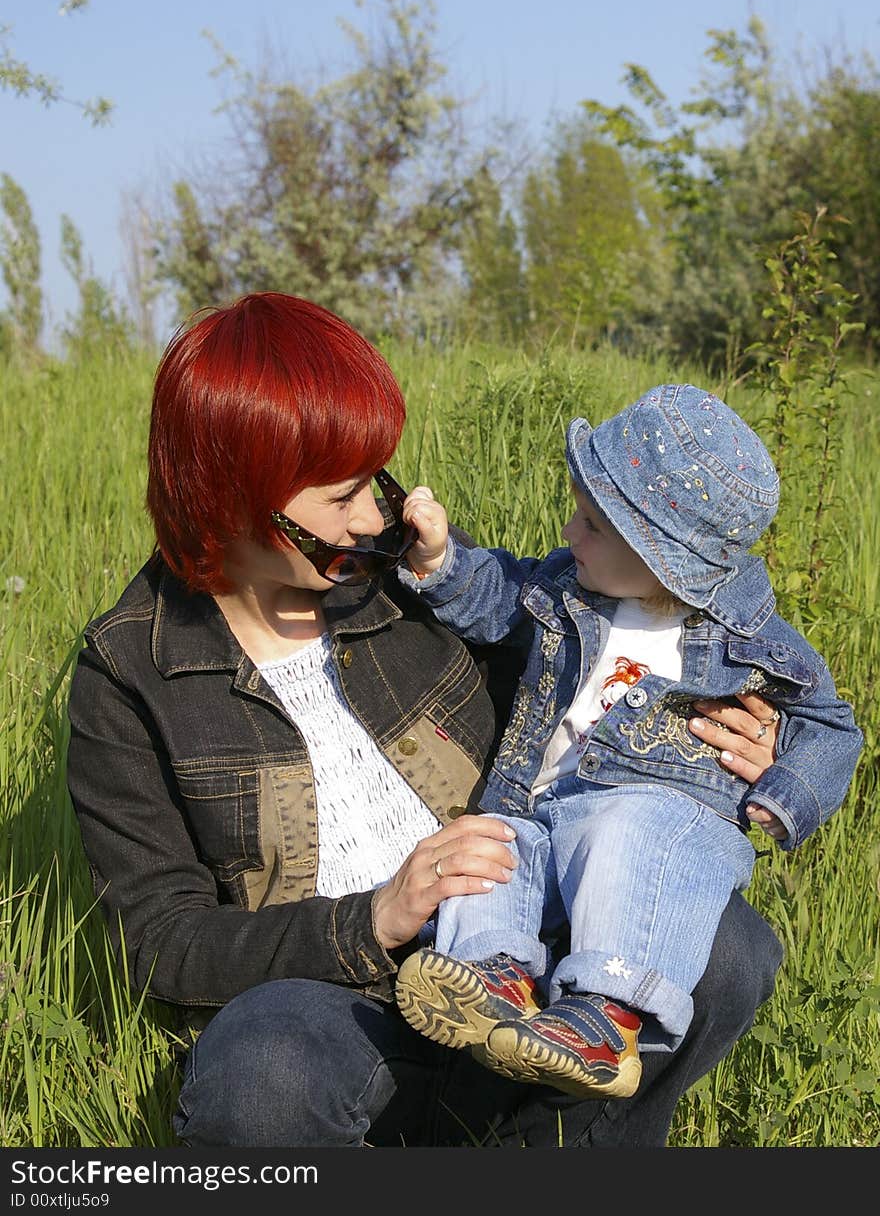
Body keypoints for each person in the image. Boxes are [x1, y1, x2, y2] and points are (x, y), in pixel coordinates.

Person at [66, 299, 783, 1148]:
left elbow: (584, 697)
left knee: (728, 945)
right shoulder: (131, 670)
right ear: (231, 500)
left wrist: (718, 735)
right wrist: (375, 917)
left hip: (519, 957)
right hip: (339, 1005)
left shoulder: (410, 578)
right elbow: (162, 944)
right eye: (341, 497)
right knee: (261, 1072)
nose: (375, 517)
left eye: (376, 478)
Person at [394, 383, 862, 1100]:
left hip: (659, 829)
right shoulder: (570, 589)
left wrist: (784, 789)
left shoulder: (748, 646)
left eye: (592, 524)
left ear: (661, 556)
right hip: (542, 807)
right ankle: (493, 980)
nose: (570, 531)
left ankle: (603, 1019)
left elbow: (831, 723)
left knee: (630, 827)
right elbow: (499, 595)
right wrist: (438, 563)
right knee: (489, 841)